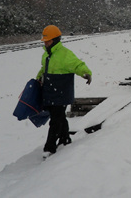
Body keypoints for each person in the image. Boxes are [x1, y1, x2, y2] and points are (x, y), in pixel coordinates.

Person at [37, 25, 92, 157]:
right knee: (60, 117)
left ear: (55, 40)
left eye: (48, 41)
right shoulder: (46, 55)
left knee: (55, 120)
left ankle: (49, 148)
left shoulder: (65, 54)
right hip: (50, 92)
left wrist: (85, 73)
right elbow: (43, 68)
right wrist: (38, 77)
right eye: (45, 41)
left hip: (61, 92)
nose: (46, 43)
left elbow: (77, 64)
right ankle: (65, 139)